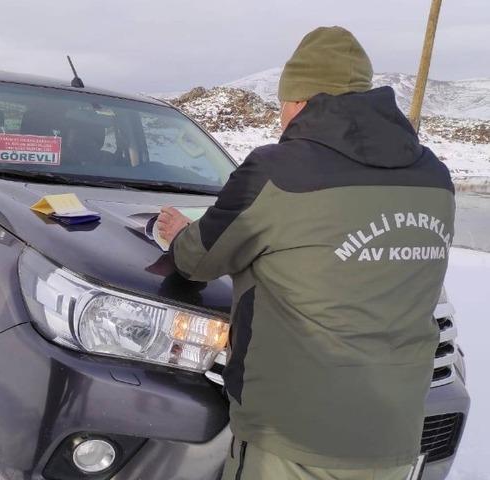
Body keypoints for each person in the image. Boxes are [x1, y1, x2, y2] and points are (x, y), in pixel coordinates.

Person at [157, 27, 454, 479]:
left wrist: (180, 232)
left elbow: (197, 259)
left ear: (299, 101)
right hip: (395, 434)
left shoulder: (278, 171)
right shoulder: (435, 177)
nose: (281, 120)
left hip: (293, 437)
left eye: (282, 106)